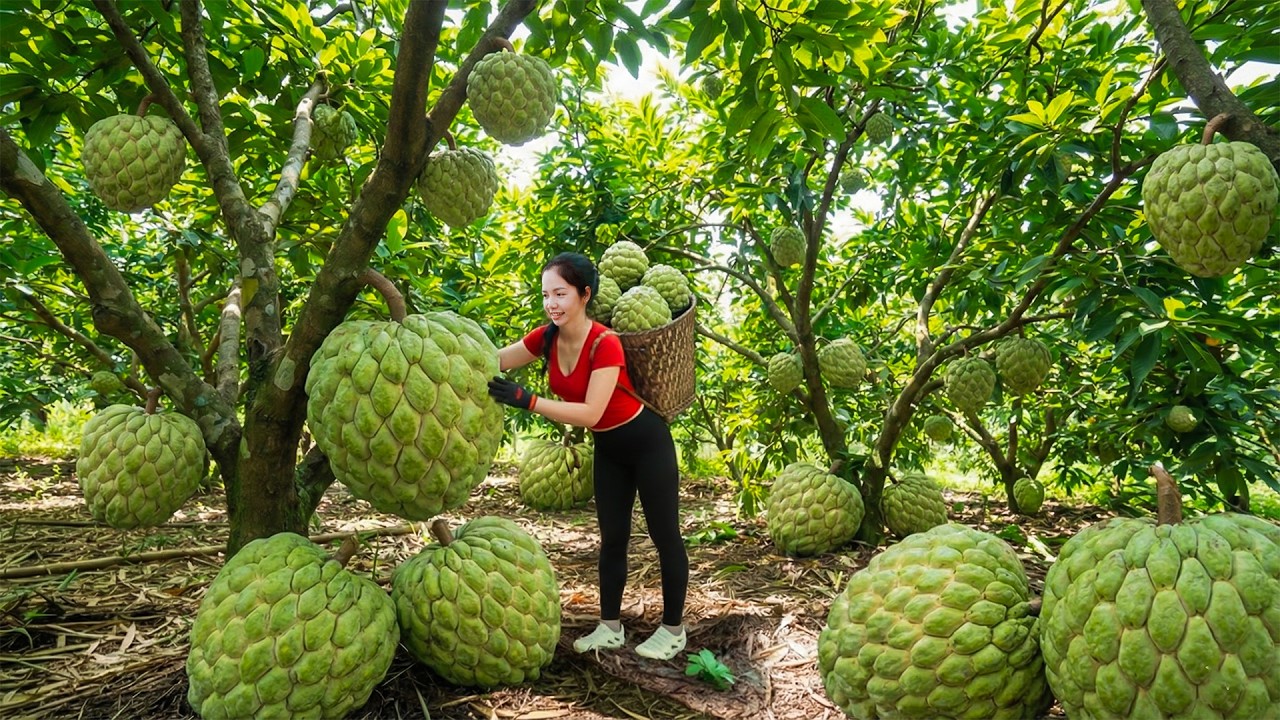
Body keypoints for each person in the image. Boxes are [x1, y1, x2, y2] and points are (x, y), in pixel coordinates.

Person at [487, 251, 689, 661]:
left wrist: (528, 400)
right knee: (612, 539)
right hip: (610, 450)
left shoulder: (605, 342)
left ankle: (673, 629)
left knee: (663, 536)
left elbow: (591, 412)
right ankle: (610, 627)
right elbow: (494, 359)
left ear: (585, 294)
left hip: (647, 443)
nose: (552, 304)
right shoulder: (546, 338)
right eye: (546, 295)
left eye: (560, 293)